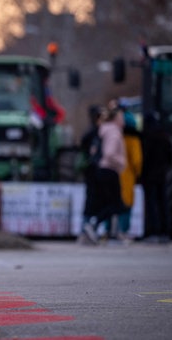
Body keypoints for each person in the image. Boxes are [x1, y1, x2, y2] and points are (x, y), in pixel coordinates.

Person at [83, 103, 126, 244]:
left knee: (109, 204)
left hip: (102, 171)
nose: (123, 120)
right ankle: (95, 225)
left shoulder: (102, 130)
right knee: (116, 204)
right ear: (115, 119)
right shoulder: (113, 132)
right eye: (121, 117)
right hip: (110, 170)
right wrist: (122, 162)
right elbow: (109, 153)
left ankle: (109, 232)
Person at [141, 112, 172, 243]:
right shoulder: (164, 137)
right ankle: (166, 230)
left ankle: (154, 230)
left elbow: (144, 157)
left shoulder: (147, 137)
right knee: (163, 202)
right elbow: (171, 157)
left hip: (149, 175)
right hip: (162, 175)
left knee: (151, 204)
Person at [114, 109, 142, 242]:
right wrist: (138, 173)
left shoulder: (116, 136)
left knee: (112, 204)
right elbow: (137, 161)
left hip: (114, 174)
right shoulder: (133, 140)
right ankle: (123, 231)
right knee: (126, 204)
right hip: (128, 175)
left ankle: (109, 231)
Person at [77, 105, 102, 244]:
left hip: (92, 172)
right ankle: (88, 229)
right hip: (94, 172)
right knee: (93, 201)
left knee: (91, 202)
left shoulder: (90, 132)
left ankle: (87, 230)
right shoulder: (95, 133)